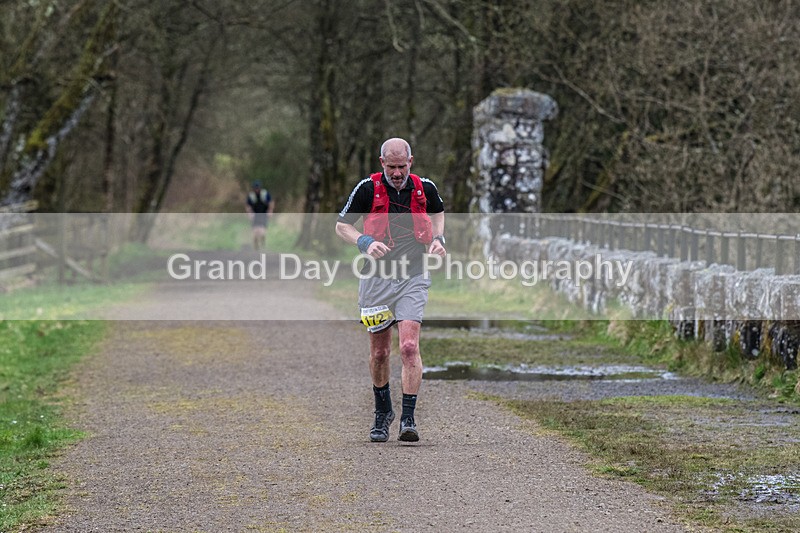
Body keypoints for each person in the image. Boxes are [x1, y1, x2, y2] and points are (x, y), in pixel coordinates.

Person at [335, 137, 446, 442]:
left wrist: (439, 240)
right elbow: (341, 225)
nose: (397, 173)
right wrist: (365, 242)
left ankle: (408, 419)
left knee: (409, 347)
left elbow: (438, 213)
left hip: (413, 276)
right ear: (381, 162)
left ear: (411, 162)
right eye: (391, 167)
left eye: (402, 166)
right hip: (376, 281)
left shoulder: (426, 188)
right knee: (381, 352)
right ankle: (382, 412)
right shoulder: (366, 189)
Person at [246, 181, 274, 250]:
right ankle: (256, 247)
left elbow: (271, 202)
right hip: (255, 215)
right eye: (255, 188)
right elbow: (248, 206)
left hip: (264, 215)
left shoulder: (265, 194)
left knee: (262, 232)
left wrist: (270, 211)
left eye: (257, 188)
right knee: (255, 233)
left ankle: (263, 244)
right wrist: (249, 213)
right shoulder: (251, 196)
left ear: (260, 188)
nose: (256, 190)